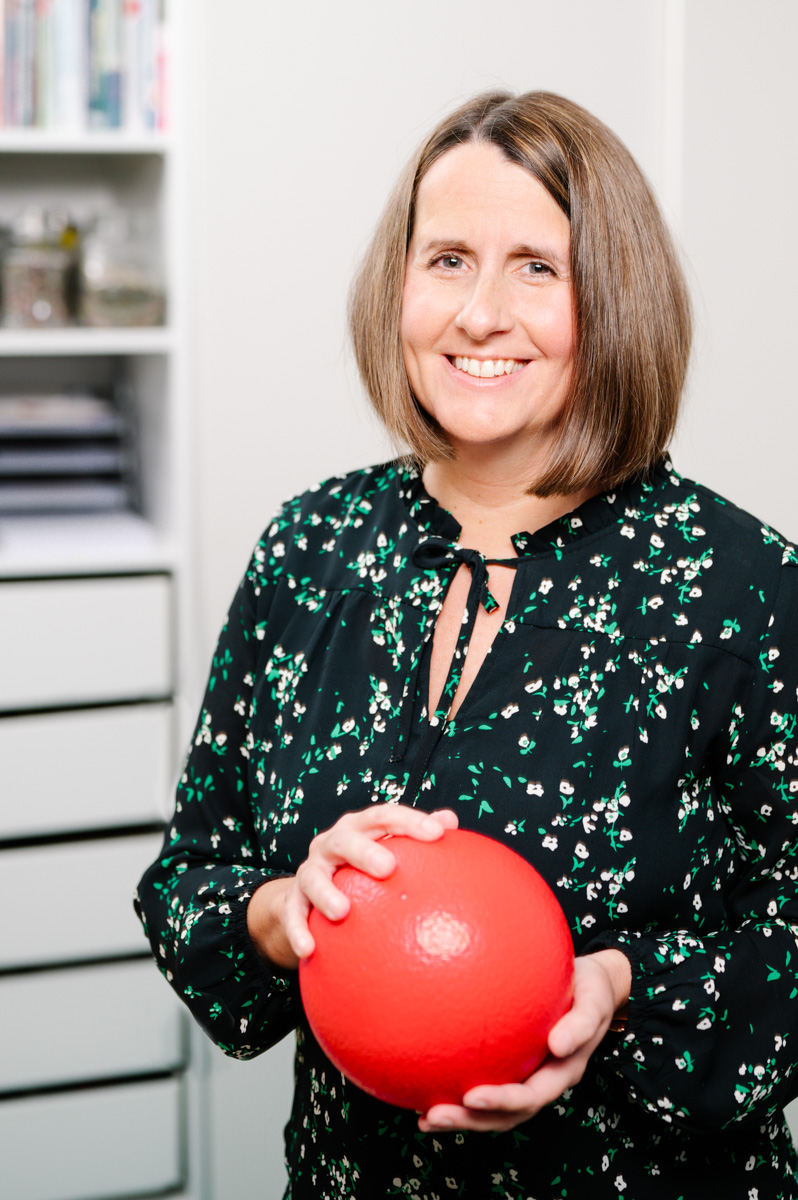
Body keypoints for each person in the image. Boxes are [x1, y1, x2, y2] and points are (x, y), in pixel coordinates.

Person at [135, 90, 798, 1198]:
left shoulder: (743, 588)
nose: (481, 314)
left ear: (617, 297)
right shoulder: (311, 548)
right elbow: (189, 877)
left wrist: (624, 991)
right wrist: (281, 912)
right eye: (446, 260)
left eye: (538, 267)